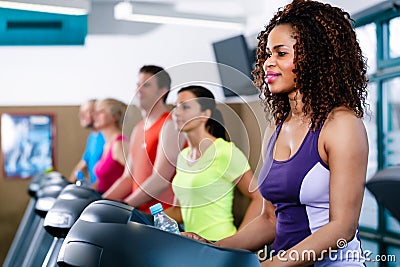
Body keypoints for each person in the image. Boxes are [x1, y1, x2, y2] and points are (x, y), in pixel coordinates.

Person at [183, 0, 369, 266]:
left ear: (315, 57)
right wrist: (213, 247)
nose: (268, 62)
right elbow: (270, 219)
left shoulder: (342, 125)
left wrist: (270, 265)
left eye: (281, 53)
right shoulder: (276, 126)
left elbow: (342, 228)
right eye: (268, 54)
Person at [164, 85, 263, 241]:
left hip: (219, 242)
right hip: (192, 244)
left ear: (205, 114)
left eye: (185, 107)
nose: (177, 112)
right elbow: (180, 212)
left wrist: (238, 240)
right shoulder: (182, 157)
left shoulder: (225, 152)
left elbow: (259, 198)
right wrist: (143, 218)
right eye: (176, 107)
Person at [103, 65, 186, 212]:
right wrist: (102, 203)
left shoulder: (170, 125)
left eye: (146, 85)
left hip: (162, 219)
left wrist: (126, 206)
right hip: (139, 215)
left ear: (162, 91)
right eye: (137, 85)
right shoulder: (138, 129)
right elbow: (128, 178)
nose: (139, 90)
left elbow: (160, 180)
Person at [92, 98, 128, 193]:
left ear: (114, 117)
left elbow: (132, 178)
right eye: (95, 111)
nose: (95, 115)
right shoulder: (107, 145)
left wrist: (103, 199)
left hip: (114, 204)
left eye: (101, 111)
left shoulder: (119, 144)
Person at [69, 99, 105, 184]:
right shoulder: (92, 137)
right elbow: (82, 164)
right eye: (81, 112)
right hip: (95, 191)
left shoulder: (108, 138)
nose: (81, 116)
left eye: (87, 111)